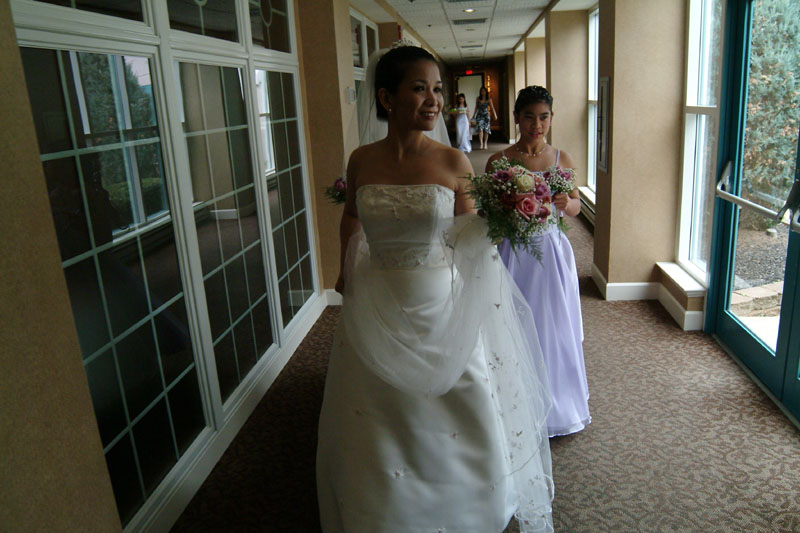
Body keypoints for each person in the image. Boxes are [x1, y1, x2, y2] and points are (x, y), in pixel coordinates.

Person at [317, 45, 554, 533]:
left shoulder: (453, 160)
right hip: (376, 297)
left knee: (459, 393)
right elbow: (352, 216)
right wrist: (344, 271)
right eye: (419, 88)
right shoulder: (361, 160)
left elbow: (468, 235)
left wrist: (505, 219)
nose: (434, 101)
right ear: (387, 97)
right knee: (376, 409)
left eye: (438, 89)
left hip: (438, 299)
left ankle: (469, 504)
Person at [486, 85, 591, 438]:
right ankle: (515, 403)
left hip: (550, 251)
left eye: (544, 117)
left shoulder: (562, 159)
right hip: (513, 252)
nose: (537, 124)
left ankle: (559, 404)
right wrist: (505, 206)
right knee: (514, 322)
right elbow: (488, 212)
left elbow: (576, 207)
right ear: (516, 117)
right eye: (529, 117)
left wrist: (566, 203)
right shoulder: (499, 161)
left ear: (552, 118)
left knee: (553, 326)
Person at [472, 85, 497, 150]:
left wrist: (495, 115)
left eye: (484, 91)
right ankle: (481, 143)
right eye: (482, 91)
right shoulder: (478, 99)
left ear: (486, 92)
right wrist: (473, 115)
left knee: (486, 130)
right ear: (480, 92)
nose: (483, 92)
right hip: (479, 115)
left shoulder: (489, 99)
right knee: (480, 129)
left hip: (486, 115)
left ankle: (485, 143)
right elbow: (476, 107)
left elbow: (492, 108)